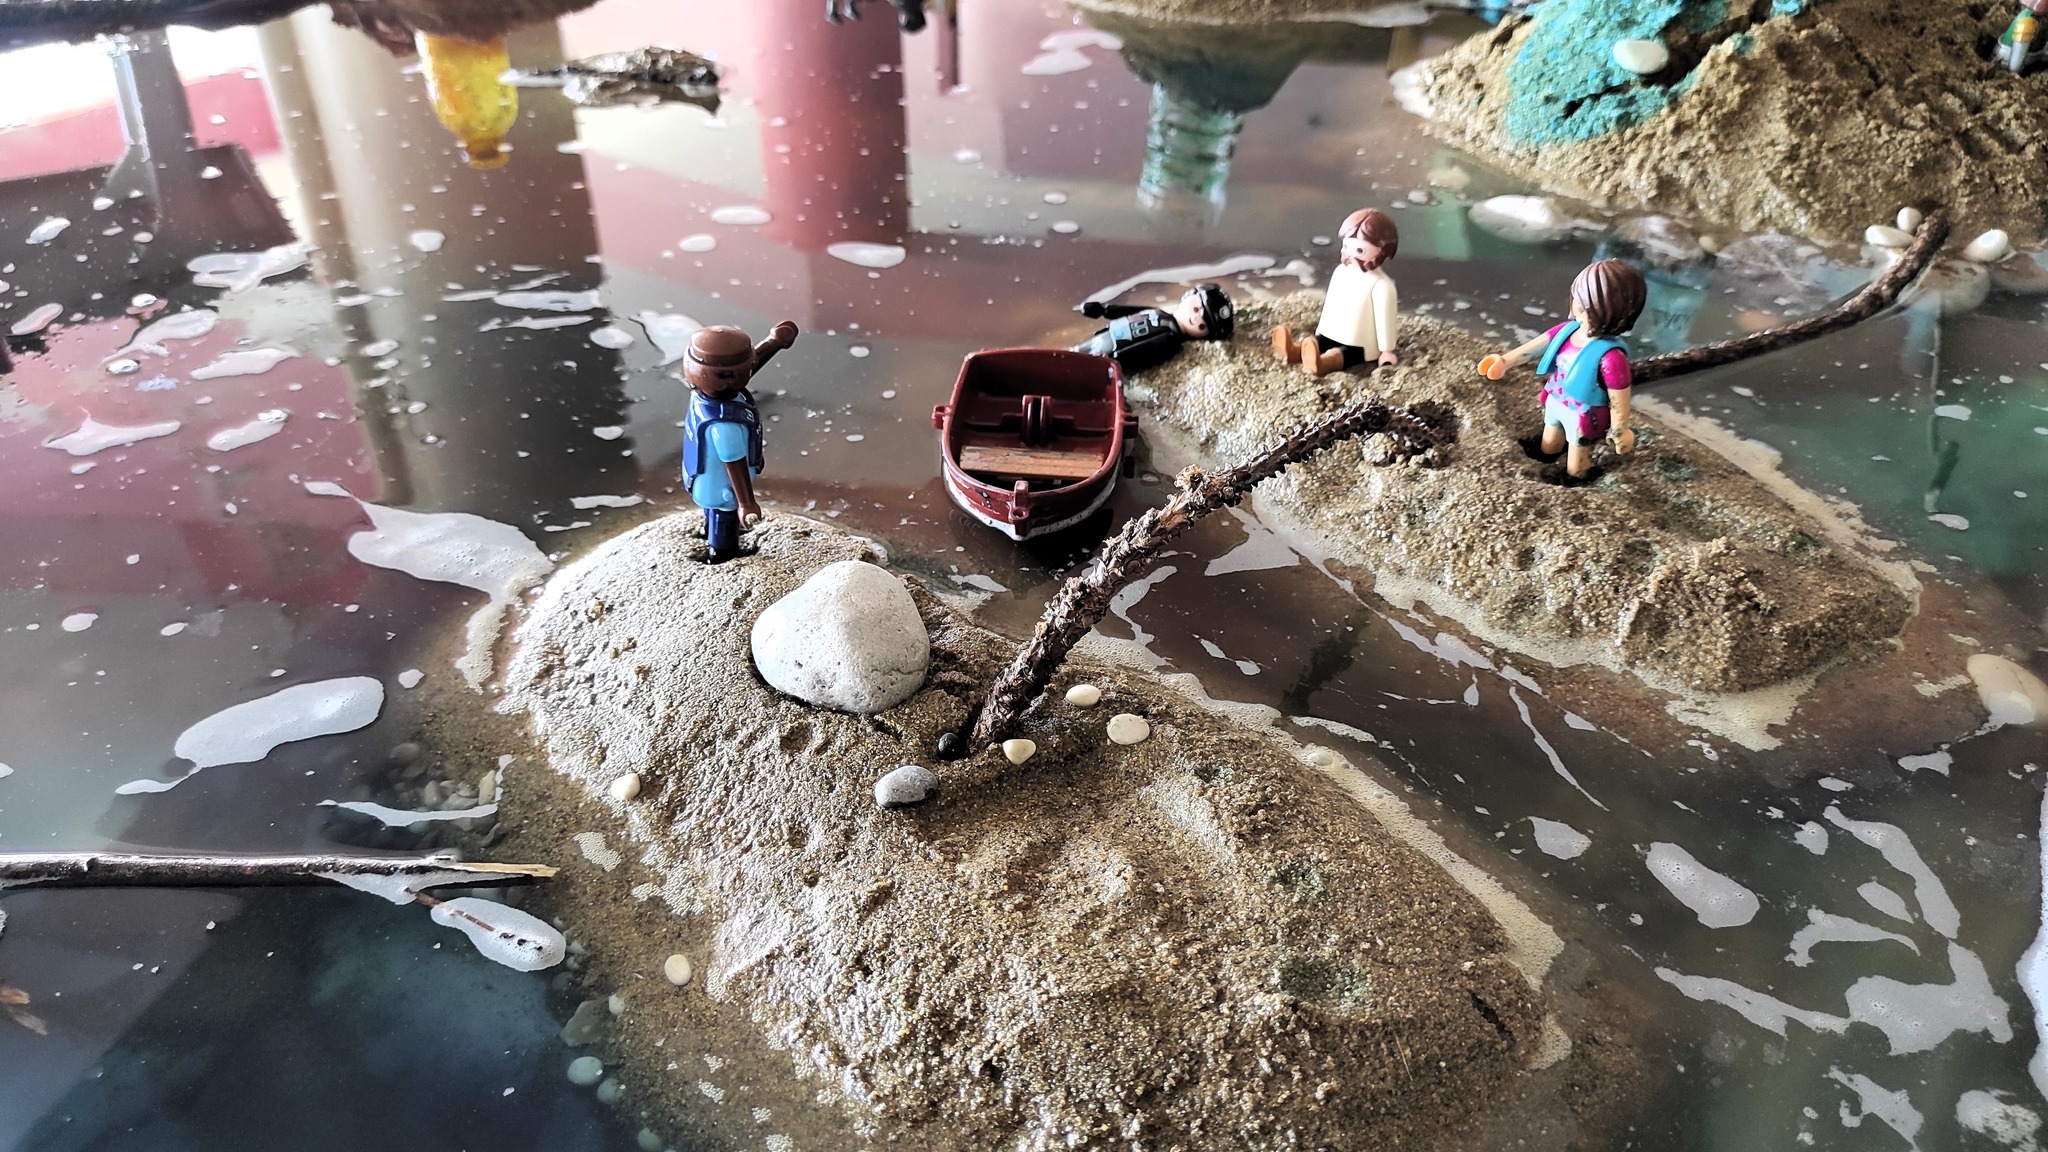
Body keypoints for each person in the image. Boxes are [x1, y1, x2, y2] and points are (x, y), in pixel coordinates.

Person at [1476, 259, 1648, 481]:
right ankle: (1546, 461)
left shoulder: (1611, 358)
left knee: (1577, 460)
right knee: (1549, 441)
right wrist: (1505, 361)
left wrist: (1619, 428)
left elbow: (1619, 397)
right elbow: (1536, 346)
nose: (1577, 304)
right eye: (1578, 297)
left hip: (1584, 412)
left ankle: (1574, 480)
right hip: (1556, 399)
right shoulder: (1567, 331)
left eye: (1586, 303)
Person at [681, 321, 798, 561]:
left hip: (699, 475)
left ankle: (707, 529)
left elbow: (743, 372)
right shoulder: (726, 424)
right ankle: (721, 553)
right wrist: (746, 502)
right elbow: (735, 463)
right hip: (722, 486)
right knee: (724, 517)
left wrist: (774, 343)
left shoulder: (702, 396)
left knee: (711, 509)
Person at [1272, 207, 1399, 376]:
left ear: (1382, 251)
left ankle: (1323, 363)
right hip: (1333, 330)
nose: (1351, 255)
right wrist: (1322, 327)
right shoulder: (1341, 272)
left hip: (1360, 343)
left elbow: (1384, 319)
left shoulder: (1381, 285)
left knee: (1343, 353)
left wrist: (1386, 350)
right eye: (1346, 246)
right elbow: (1331, 302)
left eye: (1360, 250)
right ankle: (1294, 350)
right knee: (1318, 342)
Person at [1071, 283, 1235, 373]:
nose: (1196, 318)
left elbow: (1143, 355)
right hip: (1107, 336)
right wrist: (1103, 310)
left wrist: (1117, 364)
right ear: (1189, 295)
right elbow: (1130, 311)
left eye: (1203, 325)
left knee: (1080, 367)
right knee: (1074, 353)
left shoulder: (1171, 341)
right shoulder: (1157, 312)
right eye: (1196, 309)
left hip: (1111, 355)